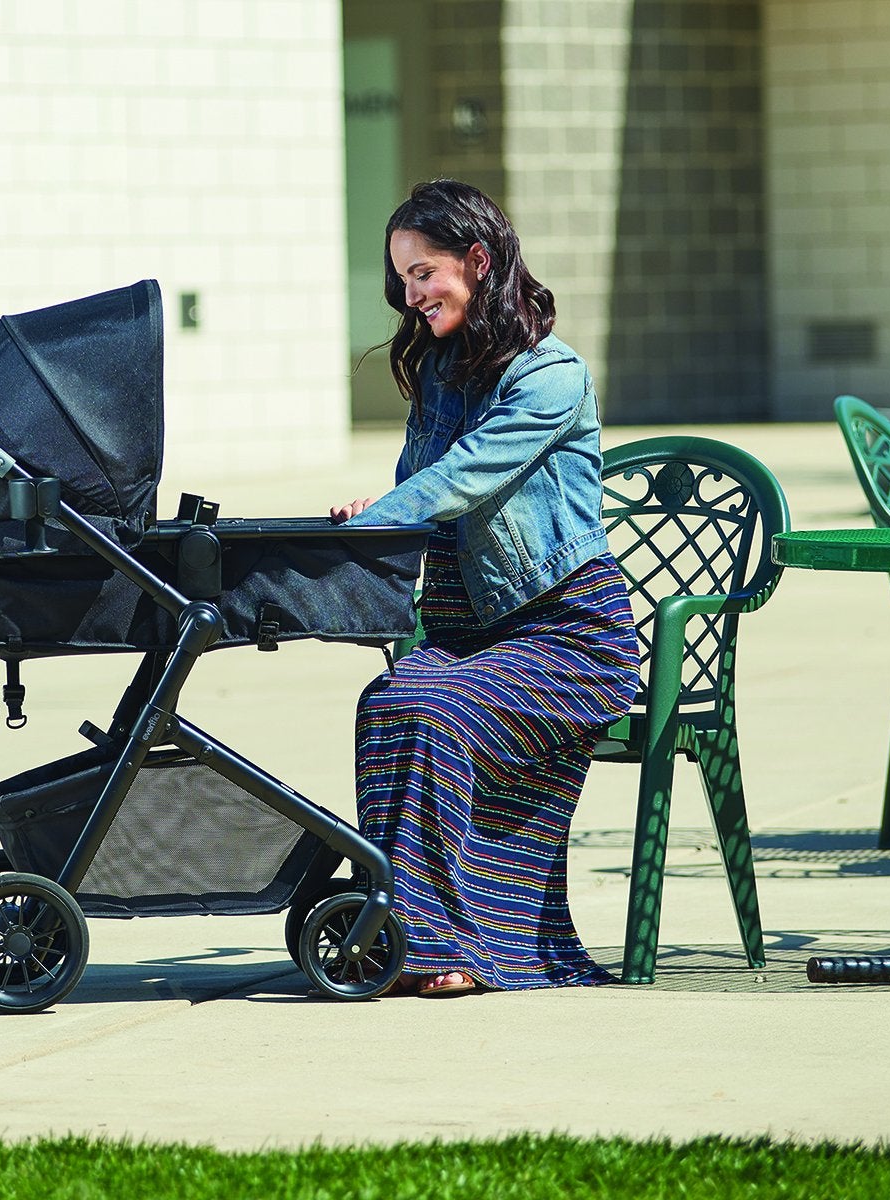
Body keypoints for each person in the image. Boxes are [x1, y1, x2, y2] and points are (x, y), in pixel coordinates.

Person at [331, 179, 640, 998]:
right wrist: (375, 515)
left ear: (477, 260)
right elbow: (418, 487)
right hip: (468, 635)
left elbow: (463, 477)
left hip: (570, 639)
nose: (411, 295)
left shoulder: (551, 375)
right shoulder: (439, 372)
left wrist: (385, 515)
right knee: (391, 699)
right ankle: (403, 932)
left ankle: (452, 948)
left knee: (437, 709)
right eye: (402, 279)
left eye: (423, 272)